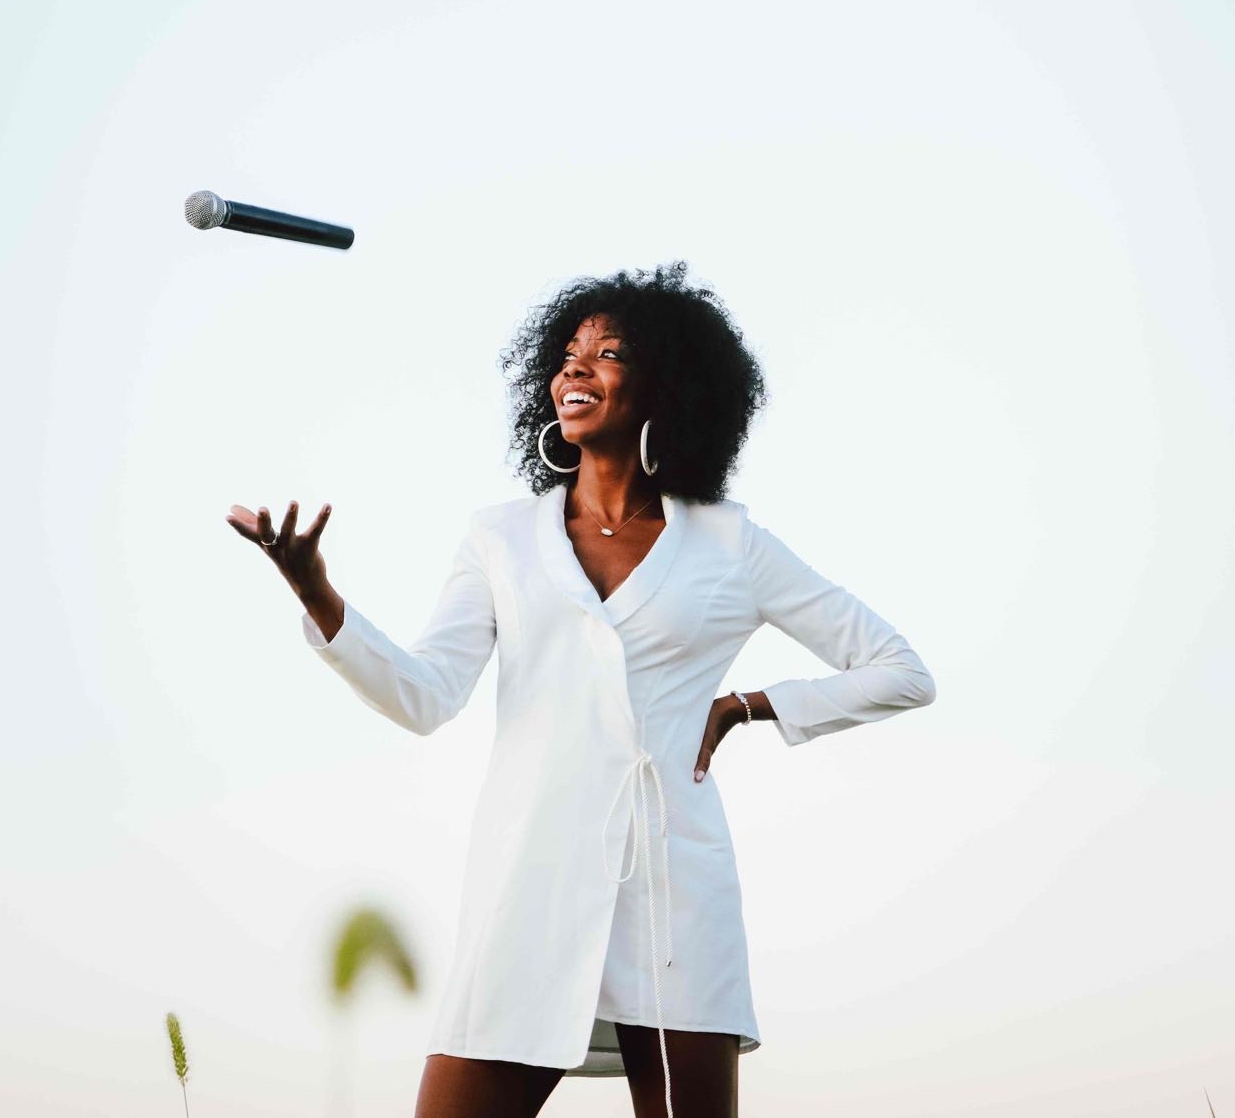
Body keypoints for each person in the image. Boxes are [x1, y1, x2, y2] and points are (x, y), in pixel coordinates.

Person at [227, 261, 937, 1118]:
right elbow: (423, 695)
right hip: (529, 887)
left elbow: (901, 670)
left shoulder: (730, 545)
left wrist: (752, 706)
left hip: (674, 900)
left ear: (666, 387)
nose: (577, 367)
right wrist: (317, 595)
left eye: (609, 353)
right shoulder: (500, 539)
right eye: (568, 354)